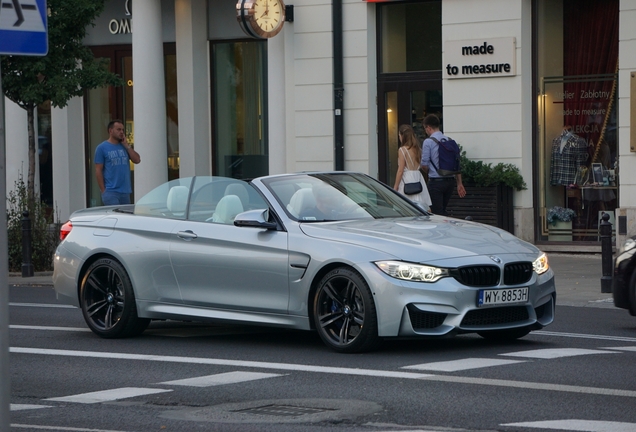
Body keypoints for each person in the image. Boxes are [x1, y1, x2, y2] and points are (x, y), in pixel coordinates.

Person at [420, 114, 466, 215]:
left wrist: (428, 171)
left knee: (436, 213)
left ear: (428, 127)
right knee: (443, 211)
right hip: (450, 182)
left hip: (436, 182)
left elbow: (424, 164)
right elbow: (457, 163)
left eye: (425, 128)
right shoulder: (449, 140)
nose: (425, 131)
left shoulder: (428, 142)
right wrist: (459, 183)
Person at [95, 120, 141, 205]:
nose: (121, 132)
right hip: (111, 191)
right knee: (114, 217)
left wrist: (127, 145)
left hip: (125, 191)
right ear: (110, 131)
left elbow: (137, 160)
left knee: (126, 217)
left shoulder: (124, 146)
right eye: (118, 129)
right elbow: (98, 170)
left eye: (122, 130)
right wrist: (103, 190)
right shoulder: (101, 148)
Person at [393, 124, 431, 211]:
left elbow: (400, 170)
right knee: (422, 206)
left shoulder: (402, 150)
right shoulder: (418, 149)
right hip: (418, 177)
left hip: (407, 178)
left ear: (402, 135)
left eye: (399, 135)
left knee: (405, 207)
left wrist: (395, 187)